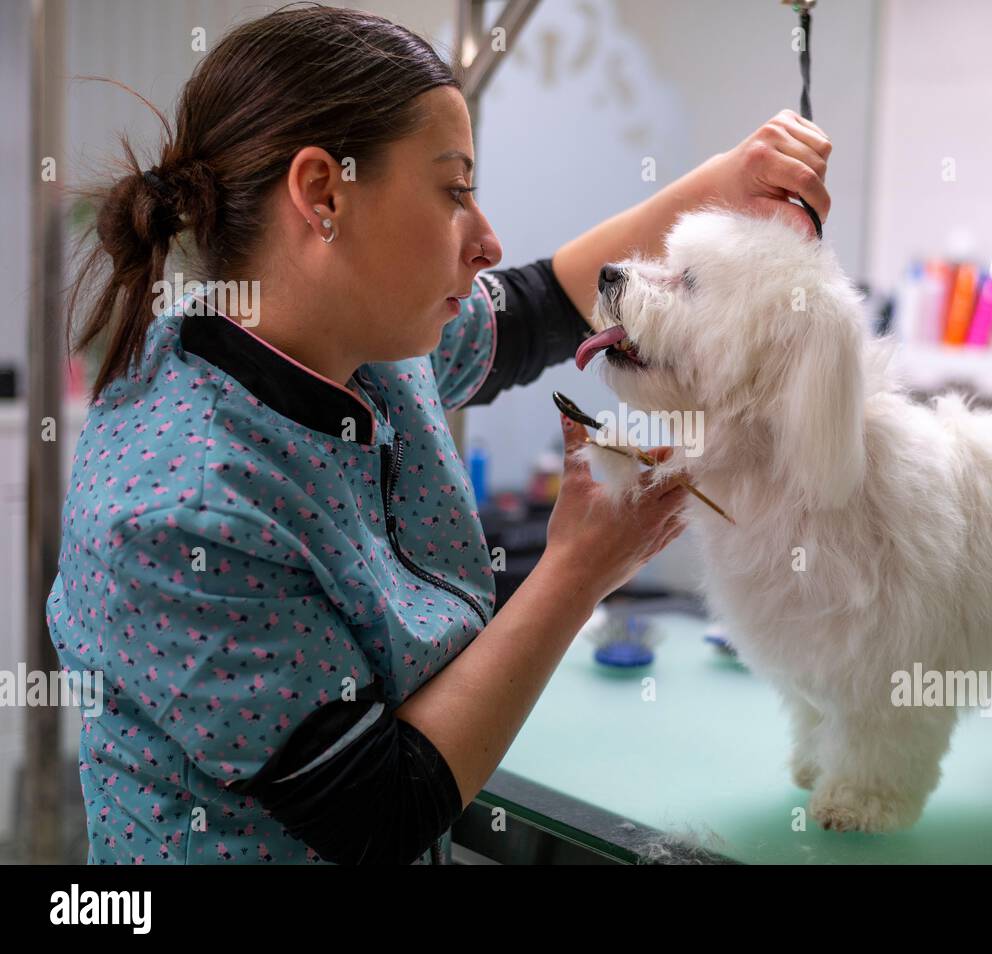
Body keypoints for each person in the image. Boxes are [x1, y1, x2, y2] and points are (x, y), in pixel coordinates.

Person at [47, 6, 832, 864]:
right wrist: (579, 570)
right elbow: (379, 811)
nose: (486, 240)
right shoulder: (182, 509)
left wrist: (730, 178)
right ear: (324, 193)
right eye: (454, 190)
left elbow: (539, 309)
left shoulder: (362, 345)